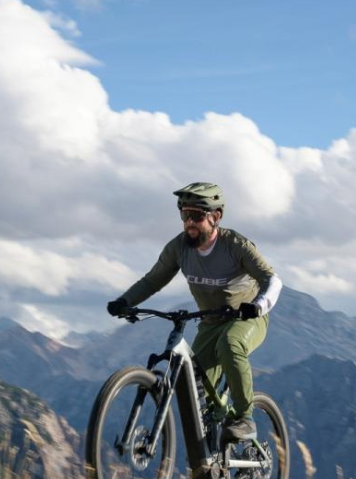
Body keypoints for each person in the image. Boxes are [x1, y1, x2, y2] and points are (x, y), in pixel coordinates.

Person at [107, 182, 282, 442]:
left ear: (216, 217)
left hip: (246, 319)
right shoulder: (179, 248)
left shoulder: (235, 245)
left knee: (230, 343)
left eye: (197, 216)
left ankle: (245, 418)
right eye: (184, 215)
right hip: (210, 323)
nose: (189, 222)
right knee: (194, 391)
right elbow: (153, 280)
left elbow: (272, 280)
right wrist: (125, 300)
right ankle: (206, 468)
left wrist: (258, 306)